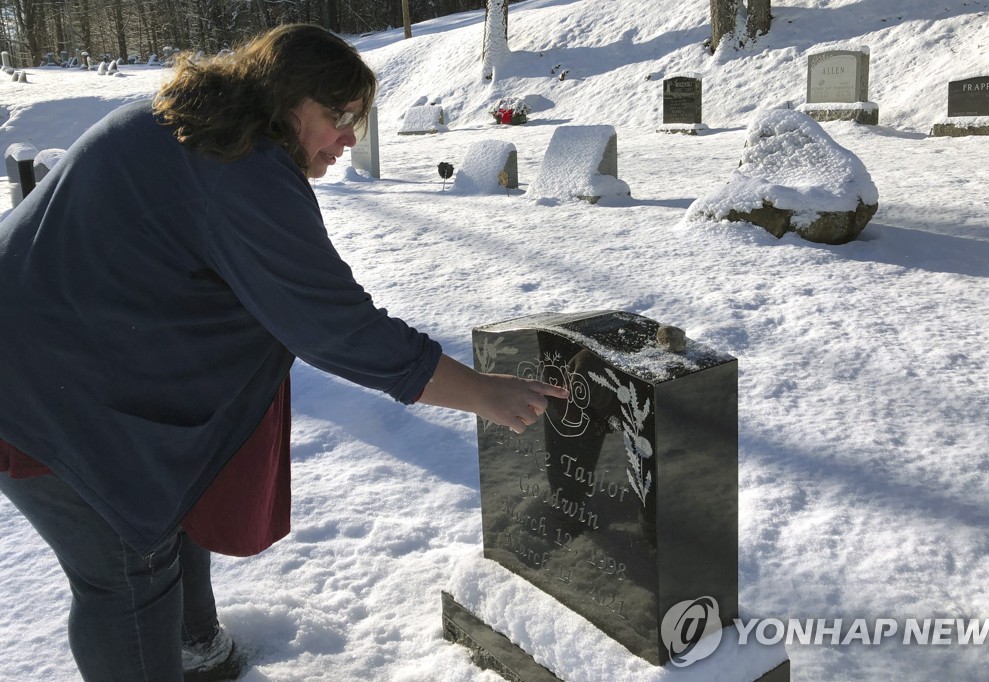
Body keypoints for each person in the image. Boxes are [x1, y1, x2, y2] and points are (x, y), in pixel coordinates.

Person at [0, 23, 567, 682]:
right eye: (338, 116)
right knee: (127, 570)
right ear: (289, 100)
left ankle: (194, 648)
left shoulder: (184, 124)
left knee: (164, 508)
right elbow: (333, 325)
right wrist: (481, 393)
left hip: (73, 363)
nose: (350, 137)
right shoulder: (237, 169)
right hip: (40, 389)